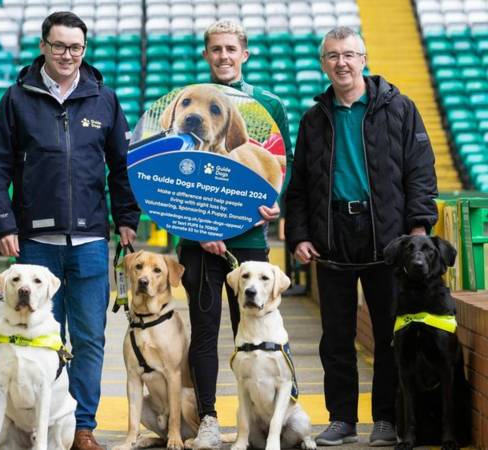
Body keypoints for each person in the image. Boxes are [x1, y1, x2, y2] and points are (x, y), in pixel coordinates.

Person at [0, 11, 140, 450]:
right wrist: (3, 223)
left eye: (75, 47)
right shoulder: (16, 98)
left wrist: (126, 220)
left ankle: (81, 427)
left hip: (91, 239)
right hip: (34, 242)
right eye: (58, 46)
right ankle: (41, 425)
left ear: (84, 50)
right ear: (43, 46)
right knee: (41, 340)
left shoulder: (104, 99)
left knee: (88, 337)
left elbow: (121, 167)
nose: (67, 54)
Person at [285, 27, 438, 447]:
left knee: (390, 334)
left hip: (388, 240)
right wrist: (298, 234)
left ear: (364, 59)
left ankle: (386, 419)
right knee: (335, 337)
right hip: (333, 237)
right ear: (323, 64)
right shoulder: (314, 118)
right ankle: (342, 418)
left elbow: (421, 172)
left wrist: (418, 229)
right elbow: (299, 184)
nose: (342, 63)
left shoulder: (400, 109)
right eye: (333, 56)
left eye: (349, 55)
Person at [180, 20, 293, 450]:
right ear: (206, 55)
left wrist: (276, 200)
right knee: (204, 331)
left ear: (244, 54)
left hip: (248, 238)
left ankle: (262, 423)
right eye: (215, 49)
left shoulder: (267, 104)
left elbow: (284, 162)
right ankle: (209, 419)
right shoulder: (187, 99)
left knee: (255, 332)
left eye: (231, 49)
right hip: (197, 239)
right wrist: (200, 226)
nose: (223, 56)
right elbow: (168, 179)